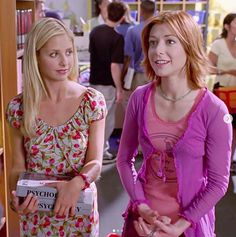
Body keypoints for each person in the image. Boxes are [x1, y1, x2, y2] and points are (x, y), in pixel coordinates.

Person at [116, 11, 232, 237]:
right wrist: (140, 205)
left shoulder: (214, 110)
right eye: (152, 42)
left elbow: (218, 183)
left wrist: (179, 226)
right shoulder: (140, 98)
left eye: (170, 41)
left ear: (189, 47)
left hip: (190, 225)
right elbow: (123, 160)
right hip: (143, 222)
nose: (157, 50)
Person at [6, 18, 106, 236]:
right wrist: (16, 198)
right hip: (36, 217)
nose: (65, 62)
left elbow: (96, 162)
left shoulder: (92, 101)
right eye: (54, 54)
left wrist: (77, 183)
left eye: (69, 52)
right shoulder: (18, 108)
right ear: (36, 57)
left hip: (79, 212)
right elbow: (17, 166)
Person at [89, 1, 126, 164]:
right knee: (107, 119)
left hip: (94, 82)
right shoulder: (117, 38)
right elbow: (114, 66)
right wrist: (119, 88)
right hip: (108, 84)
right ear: (122, 17)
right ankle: (101, 152)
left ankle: (93, 151)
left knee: (94, 118)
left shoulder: (95, 32)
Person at [122, 0, 156, 92]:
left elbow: (128, 57)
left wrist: (123, 78)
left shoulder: (133, 31)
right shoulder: (162, 29)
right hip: (157, 74)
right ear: (155, 11)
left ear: (141, 11)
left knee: (138, 104)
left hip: (139, 76)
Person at [208, 13, 236, 87]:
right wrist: (227, 72)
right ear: (227, 26)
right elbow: (208, 68)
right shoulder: (218, 44)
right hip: (221, 89)